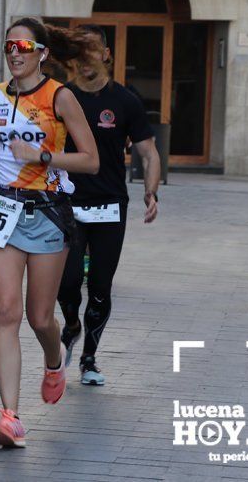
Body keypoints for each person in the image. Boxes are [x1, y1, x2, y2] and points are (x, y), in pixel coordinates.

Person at [0, 17, 99, 447]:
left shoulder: (60, 97)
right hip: (1, 207)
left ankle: (55, 357)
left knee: (40, 317)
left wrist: (42, 154)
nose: (15, 53)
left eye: (24, 46)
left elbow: (91, 160)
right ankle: (10, 417)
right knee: (7, 312)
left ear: (41, 52)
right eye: (9, 46)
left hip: (47, 213)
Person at [57, 24, 160, 386]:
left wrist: (151, 191)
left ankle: (89, 359)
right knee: (67, 282)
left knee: (100, 285)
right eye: (79, 55)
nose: (86, 62)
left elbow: (148, 152)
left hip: (110, 206)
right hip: (67, 202)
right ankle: (70, 324)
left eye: (92, 53)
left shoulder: (125, 101)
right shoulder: (63, 97)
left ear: (106, 55)